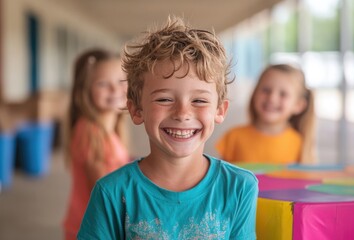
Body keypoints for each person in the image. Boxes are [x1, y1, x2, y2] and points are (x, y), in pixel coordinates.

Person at [78, 16, 259, 239]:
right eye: (164, 99)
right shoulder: (112, 192)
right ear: (136, 110)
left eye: (199, 101)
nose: (182, 113)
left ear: (220, 110)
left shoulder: (239, 187)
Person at [63, 48, 130, 240]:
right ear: (85, 91)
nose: (115, 90)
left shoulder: (110, 130)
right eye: (103, 84)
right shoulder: (90, 133)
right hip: (92, 230)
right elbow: (107, 196)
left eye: (120, 81)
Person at [217, 63, 316, 165]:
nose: (272, 98)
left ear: (298, 105)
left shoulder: (299, 144)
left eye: (283, 94)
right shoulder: (234, 137)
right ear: (255, 93)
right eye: (266, 90)